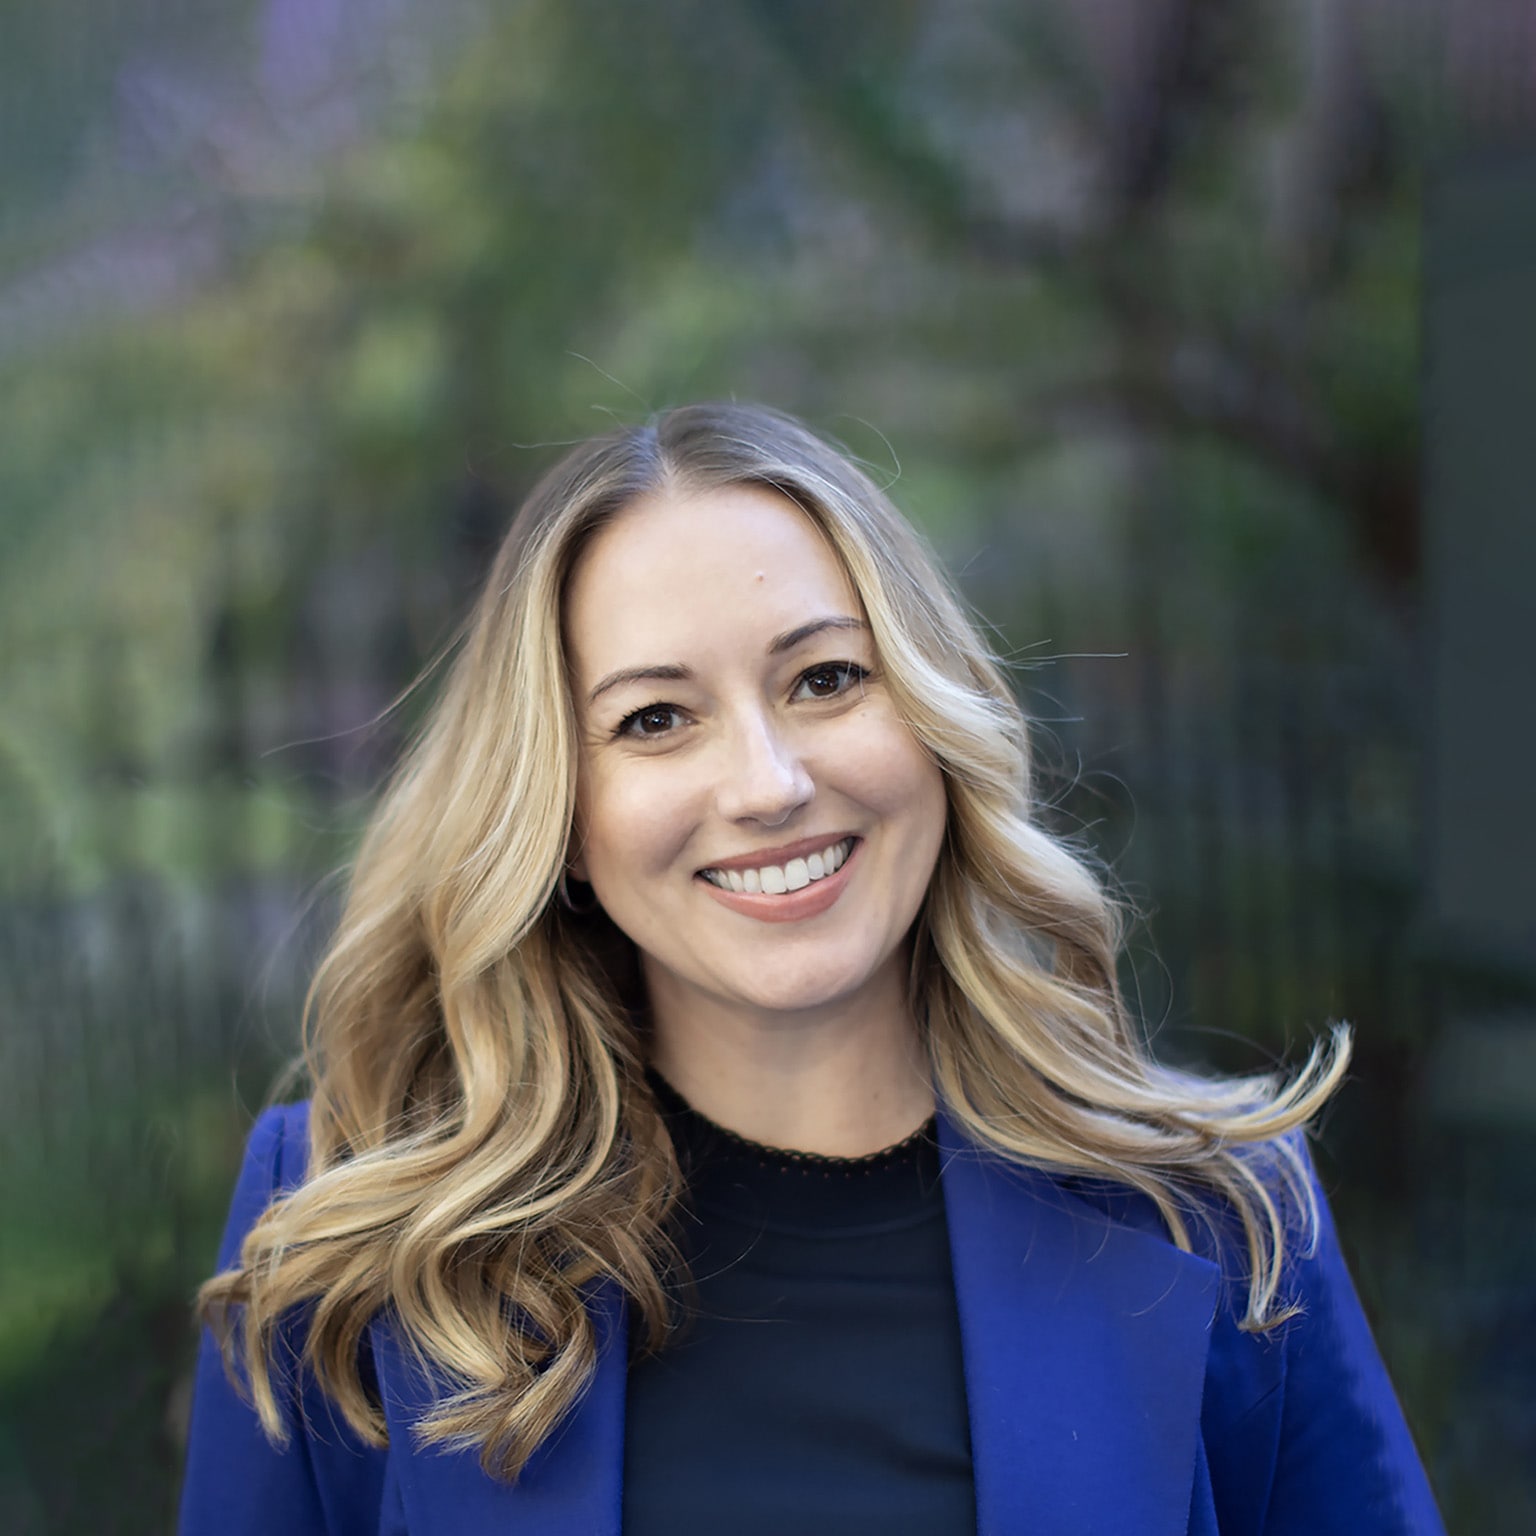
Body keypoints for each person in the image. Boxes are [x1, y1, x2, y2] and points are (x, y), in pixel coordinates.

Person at [179, 402, 1444, 1535]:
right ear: (561, 818)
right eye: (656, 719)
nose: (770, 785)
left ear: (937, 723)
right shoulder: (357, 1238)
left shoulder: (1220, 1217)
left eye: (827, 678)